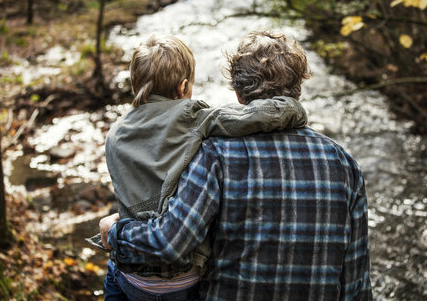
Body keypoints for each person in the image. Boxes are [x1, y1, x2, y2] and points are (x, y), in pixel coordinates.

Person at [101, 30, 372, 300]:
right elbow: (357, 282)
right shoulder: (344, 164)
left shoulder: (213, 155)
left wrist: (115, 232)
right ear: (298, 88)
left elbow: (173, 240)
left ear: (238, 95)